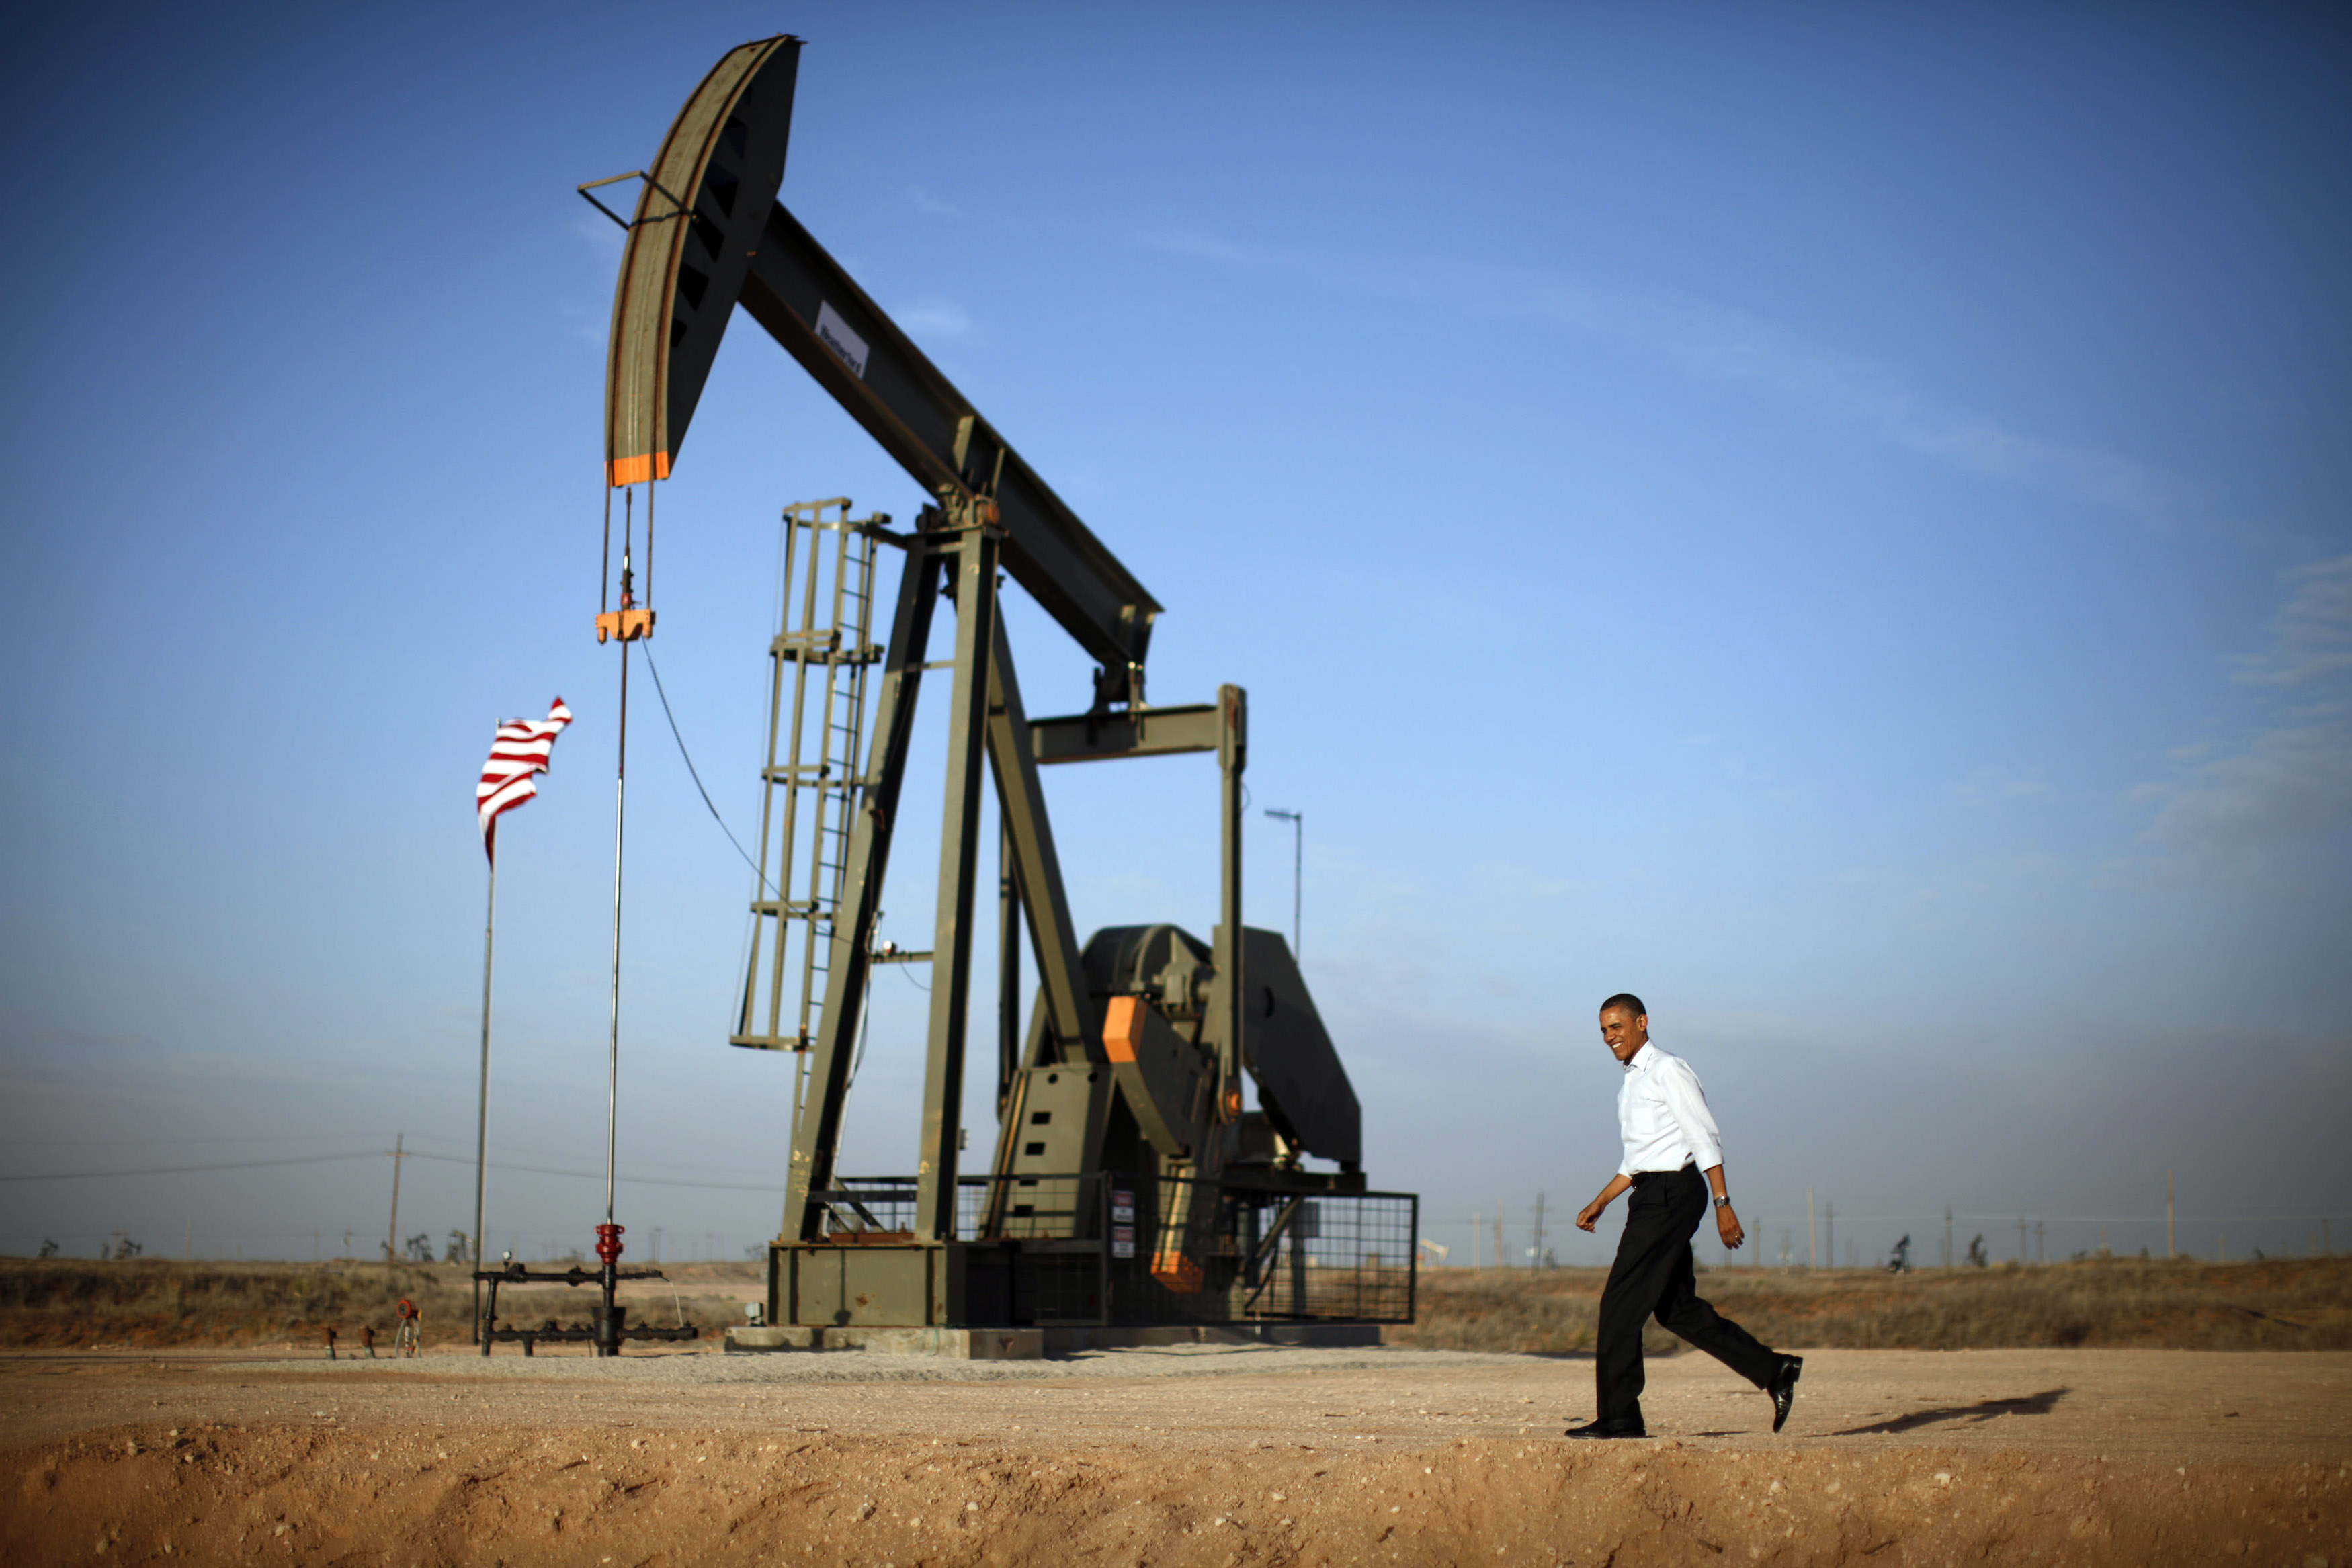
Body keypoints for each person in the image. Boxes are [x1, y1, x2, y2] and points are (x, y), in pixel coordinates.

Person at [1565, 994, 1802, 1440]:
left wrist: (1723, 1203)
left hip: (1673, 1193)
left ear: (1642, 1022)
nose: (1609, 1036)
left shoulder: (1668, 1069)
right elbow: (1638, 1159)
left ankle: (1621, 1416)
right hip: (1652, 1191)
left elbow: (1703, 1134)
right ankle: (1775, 1370)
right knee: (1675, 1309)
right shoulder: (1631, 1082)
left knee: (1620, 1304)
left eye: (1616, 1026)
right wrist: (1601, 1201)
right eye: (1603, 1030)